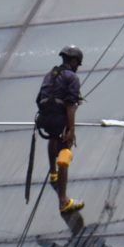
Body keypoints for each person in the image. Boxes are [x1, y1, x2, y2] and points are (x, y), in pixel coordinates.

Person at [36, 45, 85, 214]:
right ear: (72, 61)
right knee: (65, 151)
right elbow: (70, 106)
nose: (77, 68)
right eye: (78, 64)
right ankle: (63, 201)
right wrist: (71, 130)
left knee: (53, 136)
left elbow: (39, 98)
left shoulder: (50, 74)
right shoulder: (72, 78)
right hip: (59, 118)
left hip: (44, 119)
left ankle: (53, 173)